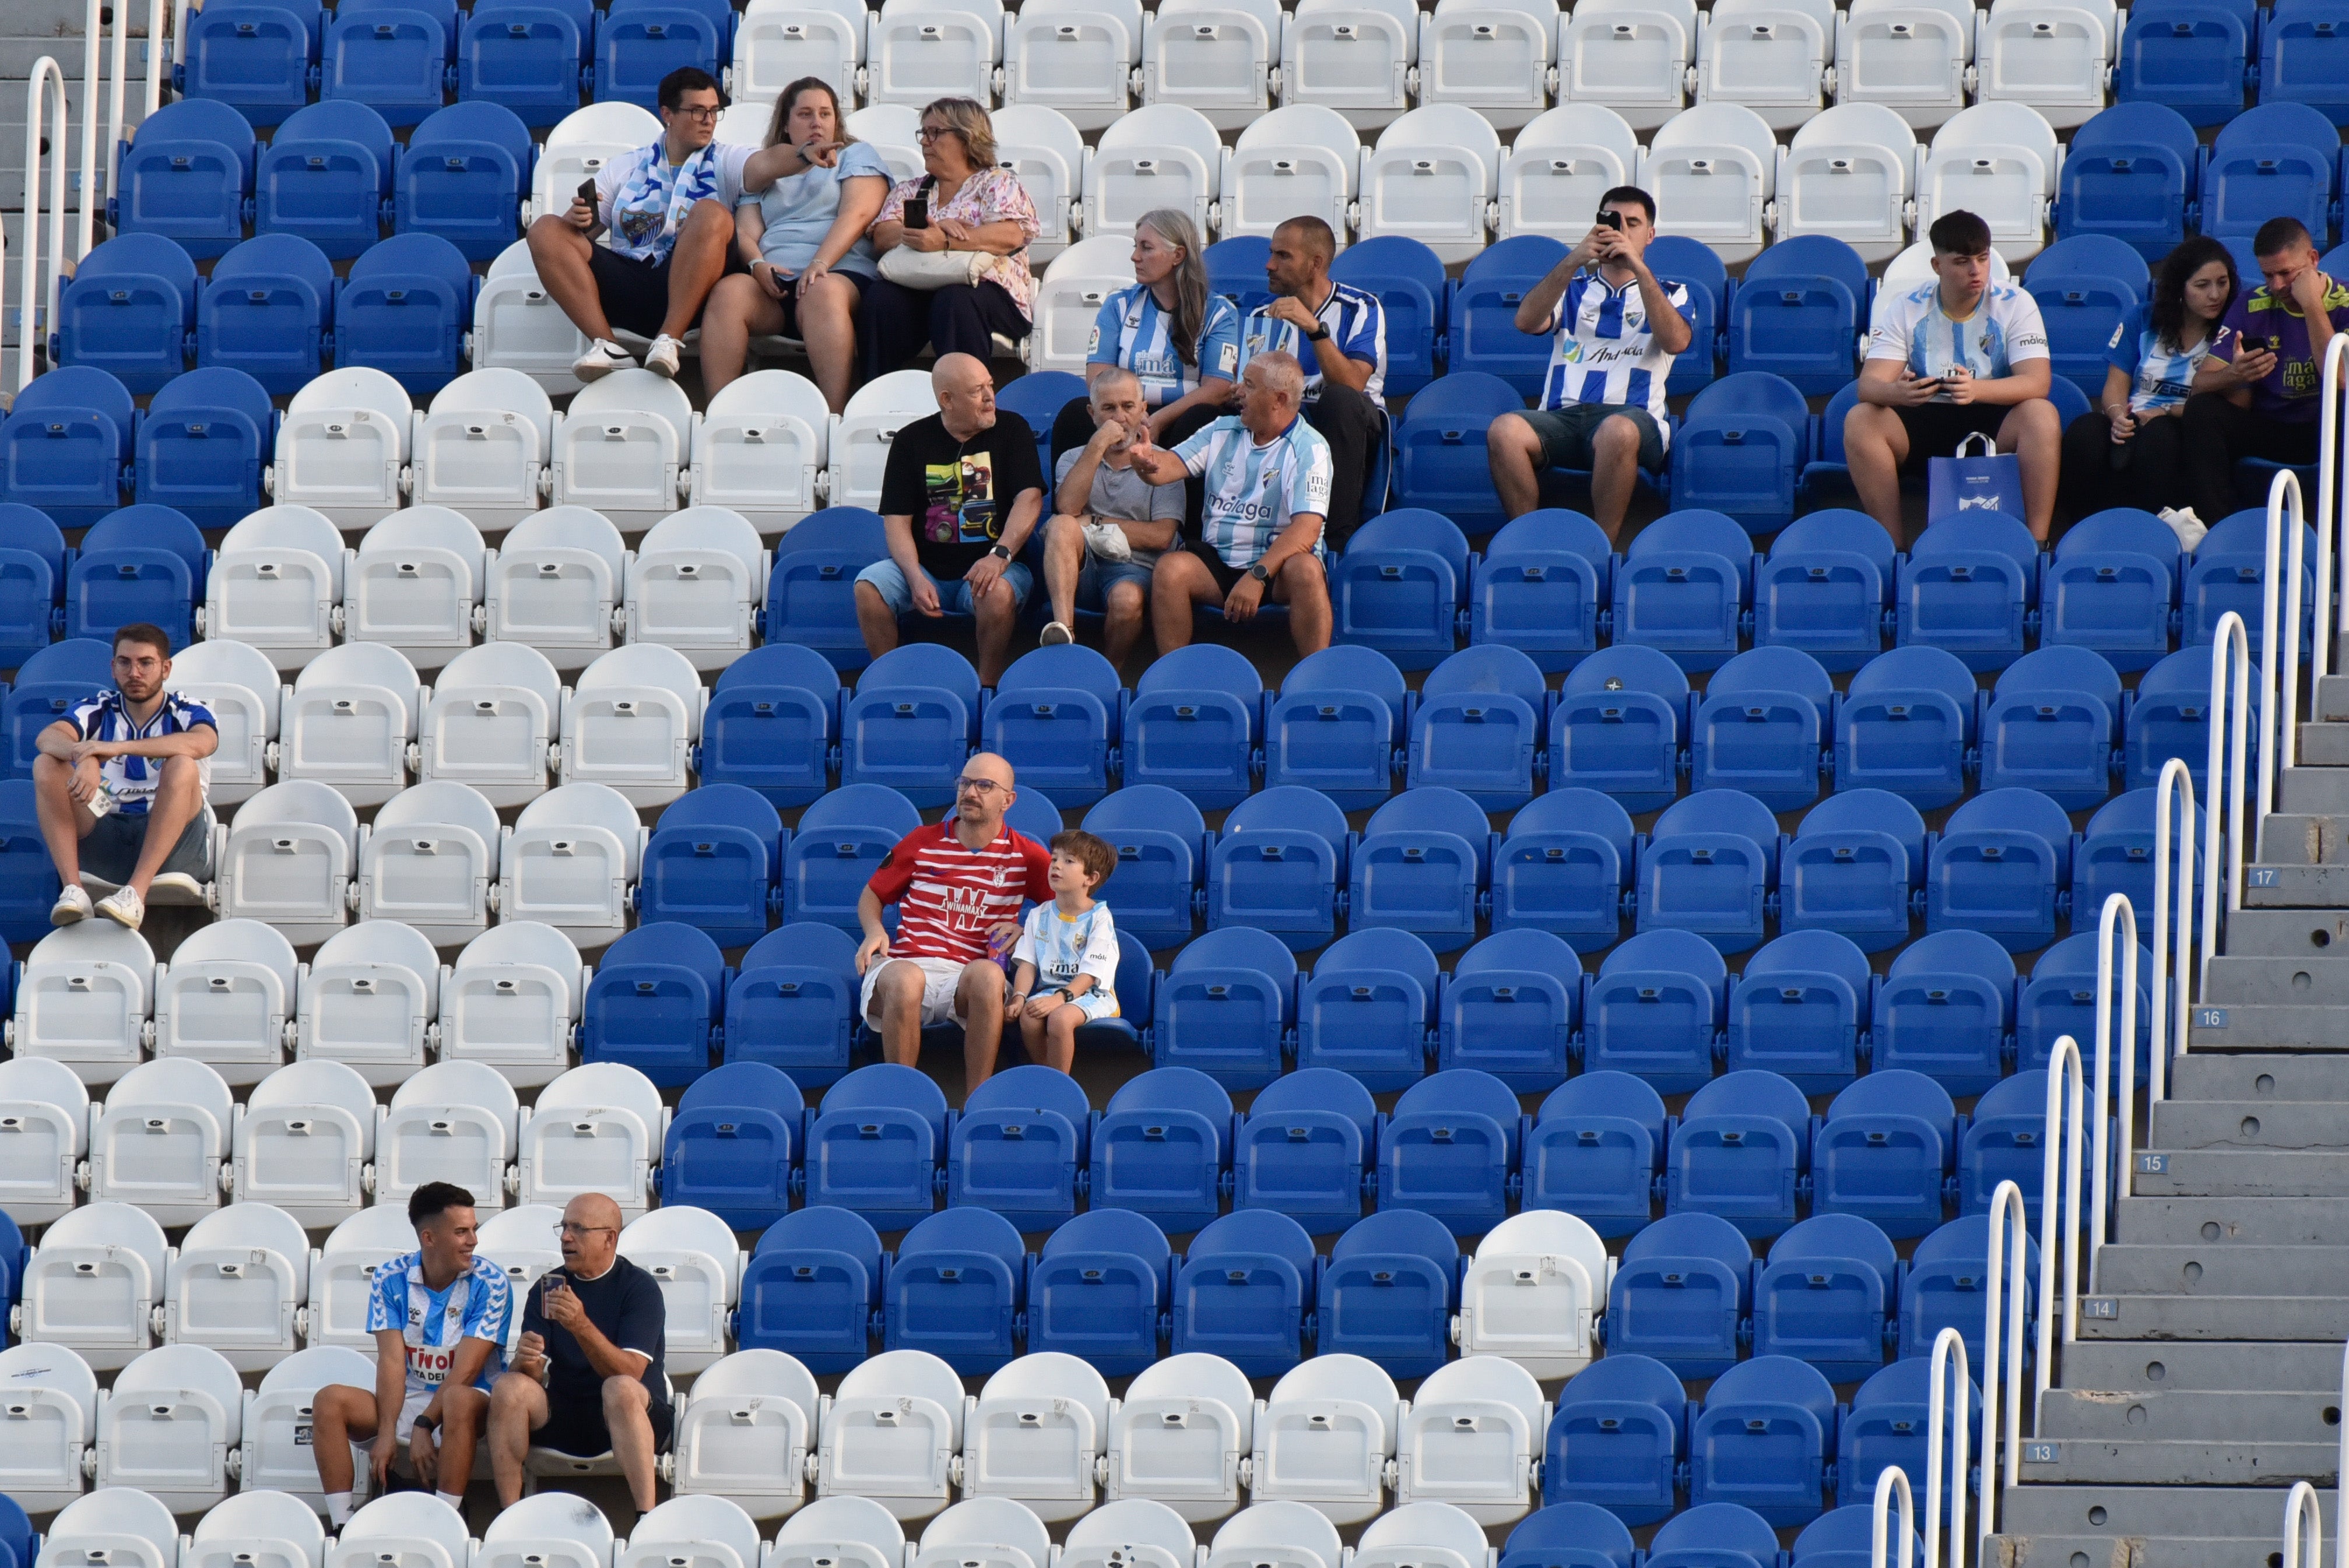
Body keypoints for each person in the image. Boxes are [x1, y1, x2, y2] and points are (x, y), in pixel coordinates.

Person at [525, 66, 814, 382]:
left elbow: (768, 162)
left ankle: (669, 340)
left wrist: (803, 154)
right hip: (633, 279)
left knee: (711, 212)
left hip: (700, 289)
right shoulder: (625, 167)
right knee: (545, 230)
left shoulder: (726, 159)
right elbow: (584, 236)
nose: (708, 120)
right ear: (668, 114)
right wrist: (575, 221)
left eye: (714, 111)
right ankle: (608, 346)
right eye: (697, 111)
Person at [1484, 185, 1695, 541]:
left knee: (1617, 430)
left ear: (1650, 235)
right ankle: (1525, 540)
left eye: (1633, 223)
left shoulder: (1673, 292)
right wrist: (1574, 259)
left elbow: (1676, 341)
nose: (1622, 230)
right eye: (1613, 221)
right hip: (1562, 418)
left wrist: (1637, 266)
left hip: (1633, 418)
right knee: (1504, 430)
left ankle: (1601, 546)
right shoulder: (1572, 288)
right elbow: (1526, 322)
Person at [1844, 209, 2060, 542]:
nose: (1976, 271)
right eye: (1962, 262)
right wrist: (1897, 393)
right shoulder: (1907, 305)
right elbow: (1869, 385)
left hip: (1993, 417)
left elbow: (2037, 382)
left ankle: (2036, 545)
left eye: (1983, 259)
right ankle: (1893, 548)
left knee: (2041, 414)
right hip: (1925, 417)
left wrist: (1977, 390)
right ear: (1937, 266)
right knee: (1861, 420)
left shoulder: (2016, 302)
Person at [311, 1183, 509, 1526]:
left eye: (474, 1229)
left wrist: (424, 1424)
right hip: (409, 1398)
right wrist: (388, 1431)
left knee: (458, 1400)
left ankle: (446, 1520)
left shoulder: (491, 1282)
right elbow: (391, 1362)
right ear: (429, 1238)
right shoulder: (390, 1277)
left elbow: (465, 1371)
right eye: (461, 1232)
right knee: (329, 1401)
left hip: (470, 1402)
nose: (473, 1241)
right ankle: (343, 1525)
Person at [856, 750, 1053, 1091]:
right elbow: (872, 895)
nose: (970, 793)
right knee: (906, 978)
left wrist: (1027, 929)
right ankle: (902, 1096)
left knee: (990, 976)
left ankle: (977, 1098)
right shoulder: (922, 841)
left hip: (967, 976)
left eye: (984, 785)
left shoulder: (1026, 856)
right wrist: (874, 930)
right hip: (907, 964)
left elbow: (1068, 911)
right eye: (964, 783)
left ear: (1008, 800)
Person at [699, 77, 893, 410]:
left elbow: (858, 215)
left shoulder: (856, 155)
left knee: (822, 292)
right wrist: (757, 264)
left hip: (839, 274)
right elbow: (746, 231)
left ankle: (835, 416)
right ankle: (718, 414)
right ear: (786, 124)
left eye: (825, 114)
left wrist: (820, 264)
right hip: (777, 283)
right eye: (805, 114)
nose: (817, 122)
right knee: (728, 293)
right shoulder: (769, 168)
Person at [1127, 350, 1335, 658]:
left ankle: (1316, 673)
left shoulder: (1311, 448)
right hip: (1218, 562)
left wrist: (1257, 576)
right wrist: (1145, 462)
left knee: (1306, 569)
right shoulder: (1222, 430)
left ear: (1278, 400)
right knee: (1170, 570)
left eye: (1249, 385)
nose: (1237, 390)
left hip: (1276, 567)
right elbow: (1166, 467)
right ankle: (1174, 673)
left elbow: (1306, 530)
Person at [855, 352, 1047, 685]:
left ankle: (986, 686)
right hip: (927, 569)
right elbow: (897, 522)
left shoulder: (1012, 429)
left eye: (990, 386)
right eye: (977, 391)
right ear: (947, 400)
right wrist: (915, 577)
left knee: (996, 593)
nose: (990, 398)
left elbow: (1030, 499)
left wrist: (999, 556)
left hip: (996, 563)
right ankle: (887, 683)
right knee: (868, 587)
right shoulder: (910, 441)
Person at [489, 1193, 670, 1513]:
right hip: (567, 1410)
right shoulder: (551, 1287)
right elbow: (533, 1374)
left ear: (609, 1238)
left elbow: (630, 1372)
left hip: (631, 1416)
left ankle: (646, 1516)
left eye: (578, 1229)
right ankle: (511, 1515)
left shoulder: (639, 1288)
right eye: (564, 1227)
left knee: (620, 1388)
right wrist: (524, 1361)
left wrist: (581, 1325)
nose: (566, 1237)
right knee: (508, 1386)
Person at [34, 621, 218, 931]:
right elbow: (47, 738)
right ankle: (74, 890)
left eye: (146, 663)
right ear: (113, 668)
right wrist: (85, 755)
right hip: (107, 825)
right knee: (46, 765)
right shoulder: (97, 708)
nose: (134, 673)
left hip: (175, 844)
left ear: (166, 668)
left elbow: (202, 743)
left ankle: (136, 895)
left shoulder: (187, 709)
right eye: (125, 663)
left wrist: (115, 748)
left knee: (182, 765)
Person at [2183, 216, 2349, 526]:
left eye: (2286, 273)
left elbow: (2340, 378)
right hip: (2271, 426)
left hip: (2327, 427)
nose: (2277, 286)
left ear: (2313, 260)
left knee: (2345, 407)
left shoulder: (2345, 301)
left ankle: (2337, 540)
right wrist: (2234, 374)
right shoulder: (2251, 304)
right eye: (2268, 275)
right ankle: (2218, 530)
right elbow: (2200, 384)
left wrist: (2312, 305)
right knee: (2202, 411)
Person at [1233, 216, 1385, 549]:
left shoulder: (1360, 307)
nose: (1269, 265)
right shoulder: (1262, 315)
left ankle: (1334, 542)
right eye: (1272, 254)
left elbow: (1352, 385)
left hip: (1350, 424)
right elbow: (1248, 389)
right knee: (1210, 413)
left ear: (1315, 264)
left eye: (1283, 256)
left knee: (1339, 401)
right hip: (1285, 419)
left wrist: (1314, 329)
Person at [2061, 236, 2237, 521]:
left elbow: (2225, 408)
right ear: (2179, 287)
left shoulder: (2232, 330)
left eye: (2222, 282)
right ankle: (2084, 528)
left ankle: (2152, 530)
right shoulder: (2142, 318)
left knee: (2160, 437)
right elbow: (2115, 385)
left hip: (2184, 424)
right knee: (2086, 431)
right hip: (2134, 416)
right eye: (2202, 285)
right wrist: (2117, 415)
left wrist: (2164, 411)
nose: (2215, 295)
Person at [865, 97, 1042, 376]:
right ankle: (878, 389)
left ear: (967, 137)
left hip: (989, 293)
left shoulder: (997, 182)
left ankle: (968, 393)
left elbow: (1010, 235)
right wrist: (929, 230)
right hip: (920, 285)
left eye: (935, 133)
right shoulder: (910, 190)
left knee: (954, 300)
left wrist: (947, 241)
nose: (925, 142)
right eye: (924, 133)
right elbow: (883, 236)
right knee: (880, 297)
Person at [1047, 208, 1241, 462]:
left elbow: (1218, 390)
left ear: (1178, 255)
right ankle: (1071, 490)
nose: (1135, 257)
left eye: (1146, 248)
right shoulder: (1118, 305)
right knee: (1075, 414)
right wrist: (1131, 415)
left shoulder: (1219, 312)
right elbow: (1098, 376)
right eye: (1136, 246)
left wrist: (1158, 419)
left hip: (1181, 417)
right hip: (1126, 413)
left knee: (1201, 419)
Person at [1037, 368, 1186, 665]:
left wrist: (1094, 522)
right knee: (1062, 525)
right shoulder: (1072, 457)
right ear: (1092, 414)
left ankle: (1110, 671)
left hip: (1135, 567)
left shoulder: (1164, 462)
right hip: (1083, 567)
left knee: (1127, 600)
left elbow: (1161, 536)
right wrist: (1097, 445)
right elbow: (1068, 508)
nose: (1119, 417)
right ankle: (1064, 633)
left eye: (1128, 406)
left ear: (1143, 410)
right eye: (1108, 409)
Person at [1005, 828, 1121, 1074]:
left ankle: (1061, 1083)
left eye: (1069, 861)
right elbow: (1027, 964)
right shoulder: (1038, 915)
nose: (1056, 866)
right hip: (1051, 992)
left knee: (1060, 1019)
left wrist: (1060, 999)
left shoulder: (1100, 918)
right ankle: (1048, 1074)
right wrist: (1019, 997)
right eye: (1054, 859)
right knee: (1029, 1016)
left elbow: (1091, 974)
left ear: (1090, 878)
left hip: (1093, 995)